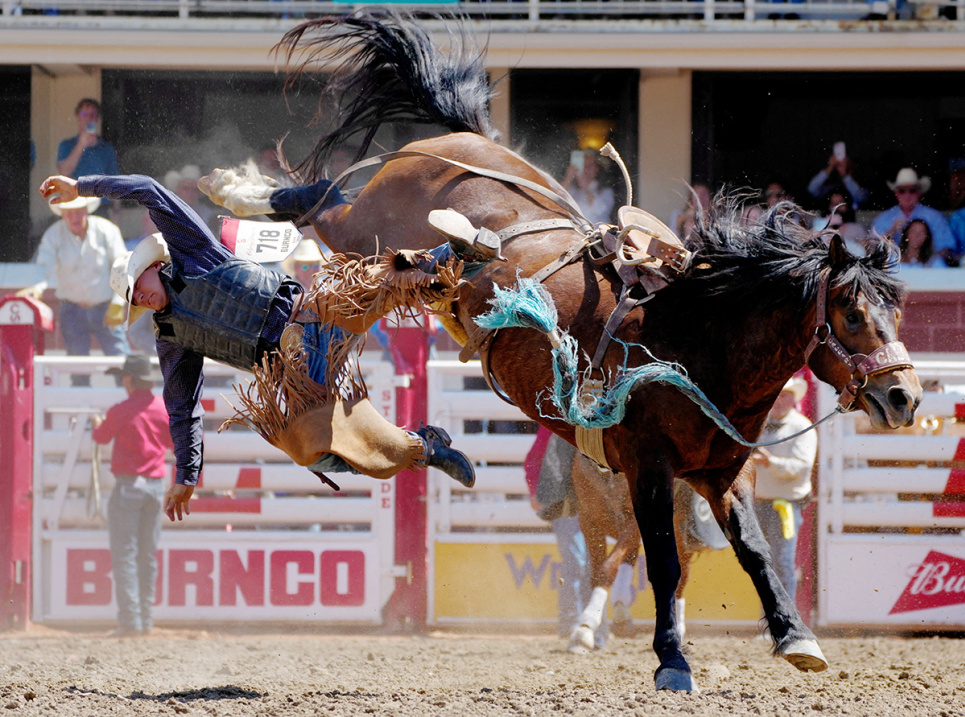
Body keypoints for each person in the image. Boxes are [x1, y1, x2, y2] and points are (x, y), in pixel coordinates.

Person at [38, 172, 476, 523]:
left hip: (309, 315)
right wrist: (187, 474)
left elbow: (151, 191)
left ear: (154, 266)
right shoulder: (170, 336)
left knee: (374, 290)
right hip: (299, 374)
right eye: (134, 300)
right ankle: (424, 447)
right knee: (317, 454)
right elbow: (182, 406)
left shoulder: (194, 253)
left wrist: (83, 187)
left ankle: (453, 253)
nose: (142, 299)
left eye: (139, 287)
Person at [91, 354, 172, 636]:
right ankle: (145, 621)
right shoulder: (162, 408)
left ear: (128, 379)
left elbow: (101, 437)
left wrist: (96, 424)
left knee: (125, 554)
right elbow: (177, 442)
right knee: (147, 555)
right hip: (155, 486)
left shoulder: (121, 410)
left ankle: (130, 622)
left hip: (129, 486)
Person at [17, 193, 129, 385]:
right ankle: (82, 414)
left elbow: (123, 267)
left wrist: (118, 303)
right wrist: (38, 287)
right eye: (68, 213)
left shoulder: (106, 230)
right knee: (78, 368)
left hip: (105, 306)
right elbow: (44, 265)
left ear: (86, 210)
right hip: (72, 310)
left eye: (78, 211)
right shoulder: (54, 234)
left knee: (122, 363)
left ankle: (129, 411)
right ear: (62, 214)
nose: (74, 217)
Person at [524, 427, 608, 649]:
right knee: (578, 560)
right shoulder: (561, 421)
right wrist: (534, 490)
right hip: (569, 500)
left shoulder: (560, 421)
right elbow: (534, 458)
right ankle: (577, 625)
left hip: (589, 503)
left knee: (589, 562)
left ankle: (590, 627)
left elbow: (534, 457)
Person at [749, 375, 817, 604]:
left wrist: (771, 462)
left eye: (784, 396)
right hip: (759, 503)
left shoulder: (802, 427)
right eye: (776, 396)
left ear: (792, 400)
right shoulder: (761, 423)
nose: (778, 401)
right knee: (763, 563)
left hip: (785, 505)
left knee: (782, 562)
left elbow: (802, 468)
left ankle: (784, 617)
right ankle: (772, 616)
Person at [871, 168, 958, 266]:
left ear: (919, 192)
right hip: (893, 269)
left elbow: (946, 249)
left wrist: (927, 262)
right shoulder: (883, 218)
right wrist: (892, 230)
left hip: (929, 271)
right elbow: (872, 250)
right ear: (896, 193)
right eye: (902, 191)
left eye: (912, 190)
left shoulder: (934, 217)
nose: (907, 195)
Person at [56, 98, 120, 218]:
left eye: (93, 115)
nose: (89, 118)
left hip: (101, 209)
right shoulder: (66, 145)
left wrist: (117, 215)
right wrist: (81, 145)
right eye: (84, 114)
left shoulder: (106, 149)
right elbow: (64, 172)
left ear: (97, 119)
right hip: (74, 207)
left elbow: (115, 183)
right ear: (78, 117)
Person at [807, 142, 869, 209]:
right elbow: (812, 189)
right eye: (837, 166)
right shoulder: (831, 189)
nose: (841, 167)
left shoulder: (861, 189)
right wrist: (830, 167)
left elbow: (859, 197)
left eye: (848, 166)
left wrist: (845, 175)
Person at [562, 149, 615, 225]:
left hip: (596, 234)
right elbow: (559, 198)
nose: (586, 169)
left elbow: (599, 210)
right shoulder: (574, 189)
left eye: (589, 166)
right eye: (583, 165)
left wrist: (585, 187)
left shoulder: (606, 191)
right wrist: (568, 176)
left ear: (596, 169)